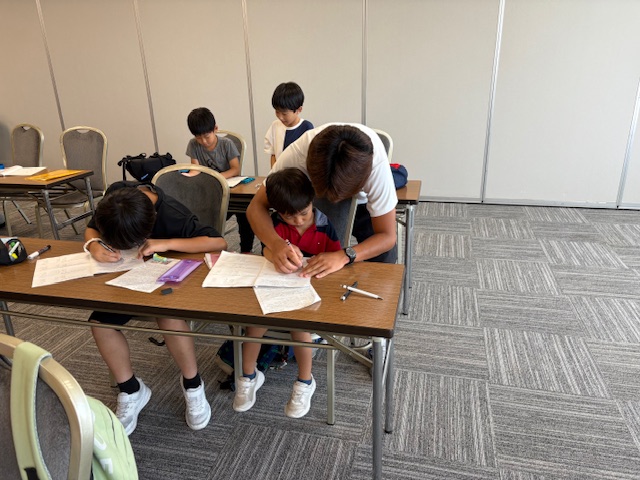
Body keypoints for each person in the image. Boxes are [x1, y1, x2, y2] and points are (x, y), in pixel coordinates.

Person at [84, 181, 228, 435]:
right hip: (127, 282)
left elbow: (218, 242)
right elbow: (92, 228)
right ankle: (131, 389)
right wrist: (94, 245)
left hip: (167, 283)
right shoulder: (114, 199)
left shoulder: (172, 213)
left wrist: (165, 243)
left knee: (168, 317)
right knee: (100, 323)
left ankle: (193, 384)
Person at [234, 168, 341, 418]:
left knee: (299, 326)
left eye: (304, 213)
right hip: (276, 286)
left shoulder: (324, 225)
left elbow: (335, 260)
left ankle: (305, 381)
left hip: (310, 291)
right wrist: (275, 254)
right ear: (278, 211)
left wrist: (322, 264)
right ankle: (248, 376)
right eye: (290, 217)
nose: (298, 221)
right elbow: (266, 250)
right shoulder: (275, 225)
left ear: (312, 201)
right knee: (254, 323)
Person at [247, 123, 398, 279]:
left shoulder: (376, 166)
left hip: (363, 205)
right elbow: (256, 207)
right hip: (315, 201)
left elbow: (387, 236)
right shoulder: (298, 154)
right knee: (321, 259)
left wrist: (345, 256)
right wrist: (275, 243)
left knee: (384, 264)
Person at [186, 107, 255, 253]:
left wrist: (216, 177)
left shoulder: (226, 144)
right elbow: (195, 169)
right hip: (209, 191)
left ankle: (246, 249)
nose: (203, 141)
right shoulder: (193, 145)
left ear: (215, 129)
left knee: (244, 213)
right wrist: (189, 176)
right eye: (198, 137)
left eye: (207, 136)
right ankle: (208, 247)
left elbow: (235, 169)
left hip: (230, 190)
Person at [264, 82, 314, 167]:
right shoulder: (275, 126)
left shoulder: (306, 127)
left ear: (299, 110)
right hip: (279, 172)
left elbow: (310, 158)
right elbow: (273, 154)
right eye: (277, 112)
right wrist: (273, 171)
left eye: (284, 114)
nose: (280, 117)